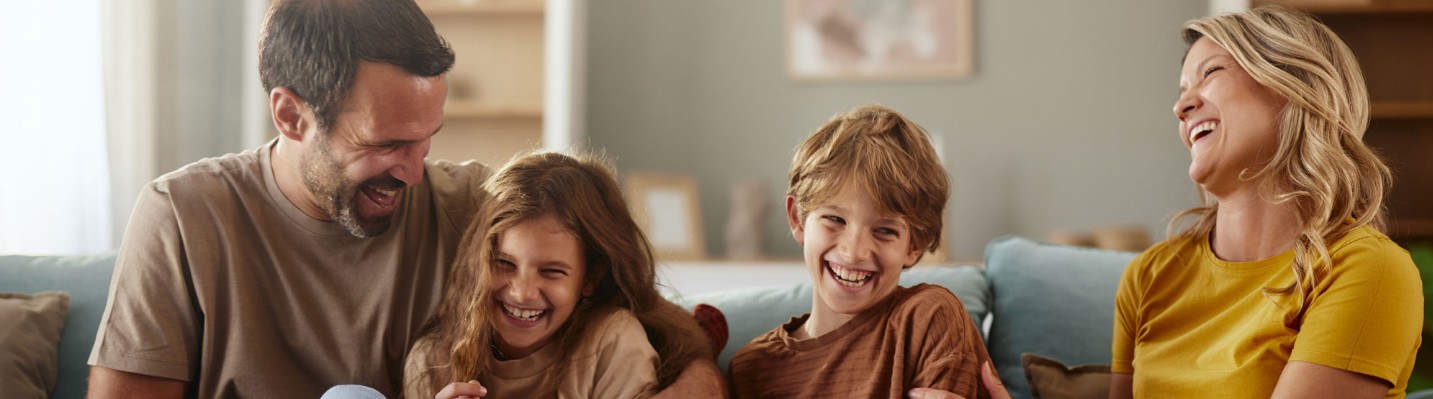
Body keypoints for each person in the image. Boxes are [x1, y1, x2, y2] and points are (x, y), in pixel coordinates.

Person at [86, 0, 719, 397]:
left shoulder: (474, 208)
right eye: (387, 144)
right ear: (291, 114)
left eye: (427, 140)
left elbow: (659, 324)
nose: (415, 173)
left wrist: (695, 385)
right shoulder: (183, 216)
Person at [1110, 6, 1424, 398]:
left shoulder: (1368, 270)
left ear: (1293, 85)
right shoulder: (1149, 276)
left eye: (1210, 73)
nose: (1181, 107)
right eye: (1180, 92)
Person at [727, 104, 994, 398]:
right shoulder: (750, 368)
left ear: (913, 246)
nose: (853, 252)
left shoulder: (928, 319)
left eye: (885, 230)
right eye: (834, 219)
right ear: (797, 218)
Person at [402, 151, 708, 398]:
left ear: (589, 279)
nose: (522, 292)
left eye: (551, 272)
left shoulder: (610, 342)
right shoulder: (431, 360)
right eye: (504, 264)